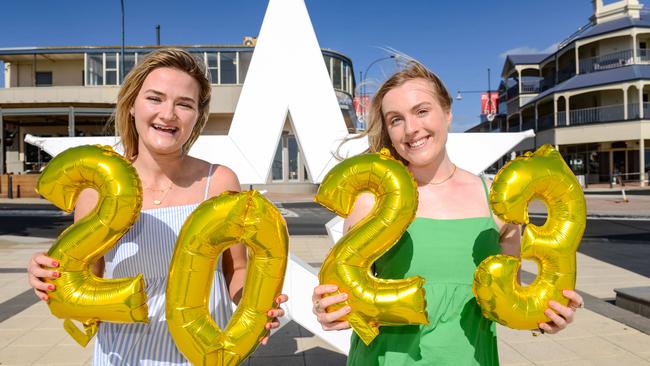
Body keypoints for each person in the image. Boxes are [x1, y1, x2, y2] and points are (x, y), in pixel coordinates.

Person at [312, 60, 584, 365]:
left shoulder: (496, 200)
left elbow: (512, 297)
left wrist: (549, 317)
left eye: (421, 111)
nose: (411, 128)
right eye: (395, 119)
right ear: (388, 130)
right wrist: (330, 309)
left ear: (448, 114)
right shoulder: (371, 203)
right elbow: (345, 294)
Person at [27, 48, 287, 364]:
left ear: (197, 116)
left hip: (204, 352)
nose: (168, 114)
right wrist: (48, 275)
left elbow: (238, 269)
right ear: (132, 105)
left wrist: (254, 303)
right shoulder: (95, 193)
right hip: (124, 354)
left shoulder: (219, 181)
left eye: (184, 104)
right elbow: (86, 278)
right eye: (155, 98)